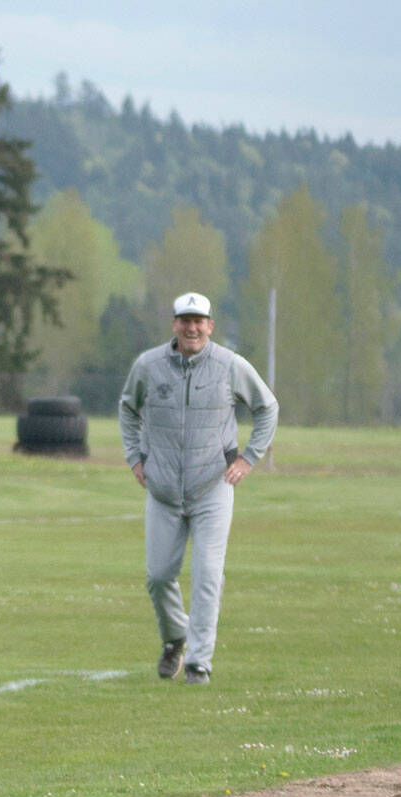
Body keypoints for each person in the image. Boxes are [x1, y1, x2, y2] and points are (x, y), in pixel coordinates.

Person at [119, 291, 278, 685]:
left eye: (199, 321)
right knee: (158, 576)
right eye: (184, 320)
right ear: (174, 324)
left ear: (210, 326)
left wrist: (249, 457)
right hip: (163, 490)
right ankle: (175, 638)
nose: (192, 327)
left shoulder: (229, 365)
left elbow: (267, 407)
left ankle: (198, 664)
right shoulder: (148, 366)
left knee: (208, 575)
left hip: (213, 486)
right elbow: (127, 407)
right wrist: (136, 458)